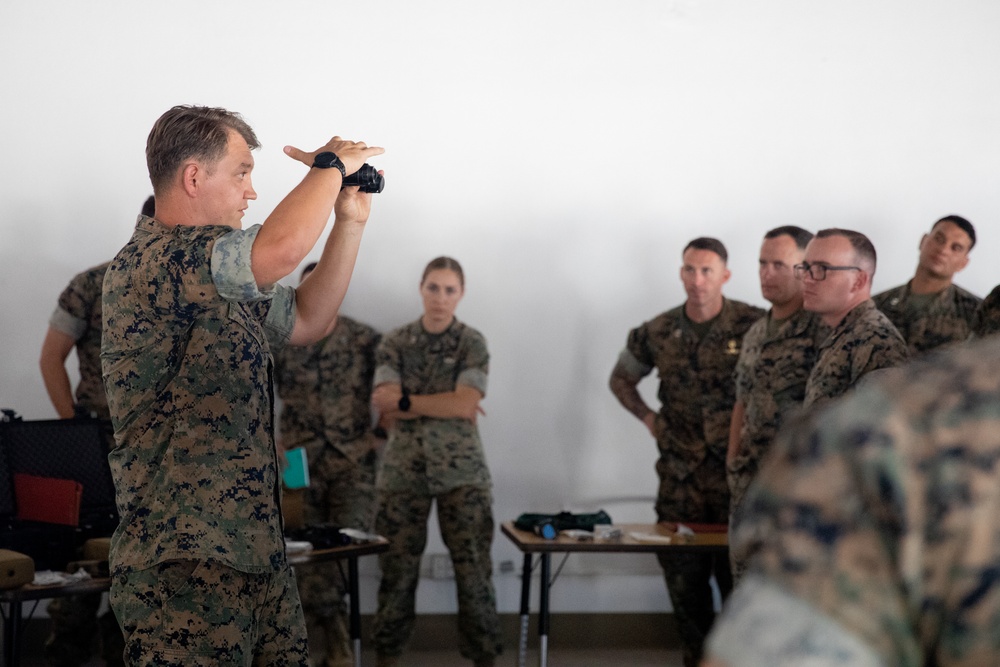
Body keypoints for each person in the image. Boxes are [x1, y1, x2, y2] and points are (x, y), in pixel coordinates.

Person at [101, 105, 383, 665]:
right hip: (183, 565)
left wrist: (348, 219)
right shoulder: (155, 262)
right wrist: (326, 167)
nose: (251, 193)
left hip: (255, 552)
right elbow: (280, 251)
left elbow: (309, 320)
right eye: (242, 172)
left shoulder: (223, 277)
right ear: (193, 177)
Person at [704, 334, 1000, 667]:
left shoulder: (901, 419)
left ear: (859, 279)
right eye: (807, 274)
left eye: (822, 274)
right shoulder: (905, 419)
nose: (809, 279)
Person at [609, 237, 764, 667]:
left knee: (741, 587)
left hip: (737, 479)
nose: (697, 281)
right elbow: (621, 379)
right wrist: (648, 418)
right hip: (681, 481)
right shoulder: (656, 332)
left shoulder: (755, 325)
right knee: (685, 588)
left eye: (707, 271)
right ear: (681, 273)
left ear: (725, 276)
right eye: (690, 270)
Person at [36, 197, 153, 667]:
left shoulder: (198, 286)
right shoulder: (92, 283)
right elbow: (51, 358)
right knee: (82, 564)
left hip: (161, 453)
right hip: (98, 446)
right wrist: (74, 431)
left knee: (145, 572)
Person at [369, 256, 501, 667]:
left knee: (474, 572)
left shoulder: (471, 342)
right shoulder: (395, 341)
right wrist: (439, 403)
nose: (440, 298)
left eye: (449, 290)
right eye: (433, 287)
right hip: (403, 471)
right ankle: (387, 657)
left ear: (460, 294)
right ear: (421, 288)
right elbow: (384, 405)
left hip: (462, 473)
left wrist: (408, 400)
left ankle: (484, 658)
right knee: (396, 572)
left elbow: (465, 404)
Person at [274, 261, 381, 667]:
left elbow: (391, 386)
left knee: (344, 546)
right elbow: (253, 388)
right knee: (303, 549)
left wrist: (381, 434)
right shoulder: (282, 340)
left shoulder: (365, 340)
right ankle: (336, 648)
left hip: (351, 462)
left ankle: (338, 646)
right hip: (298, 463)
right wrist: (271, 438)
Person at [725, 226, 824, 583]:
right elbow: (742, 395)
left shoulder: (821, 329)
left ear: (804, 268)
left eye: (778, 265)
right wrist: (733, 457)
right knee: (743, 583)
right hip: (748, 484)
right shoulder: (755, 331)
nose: (767, 274)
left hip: (794, 487)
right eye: (762, 264)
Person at [797, 228, 908, 408]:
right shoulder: (841, 332)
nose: (807, 279)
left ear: (858, 281)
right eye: (806, 268)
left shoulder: (876, 341)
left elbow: (880, 428)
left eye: (821, 269)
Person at [873, 215, 979, 355]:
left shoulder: (976, 314)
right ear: (923, 241)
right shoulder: (877, 306)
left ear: (963, 263)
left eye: (956, 248)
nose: (943, 250)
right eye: (939, 239)